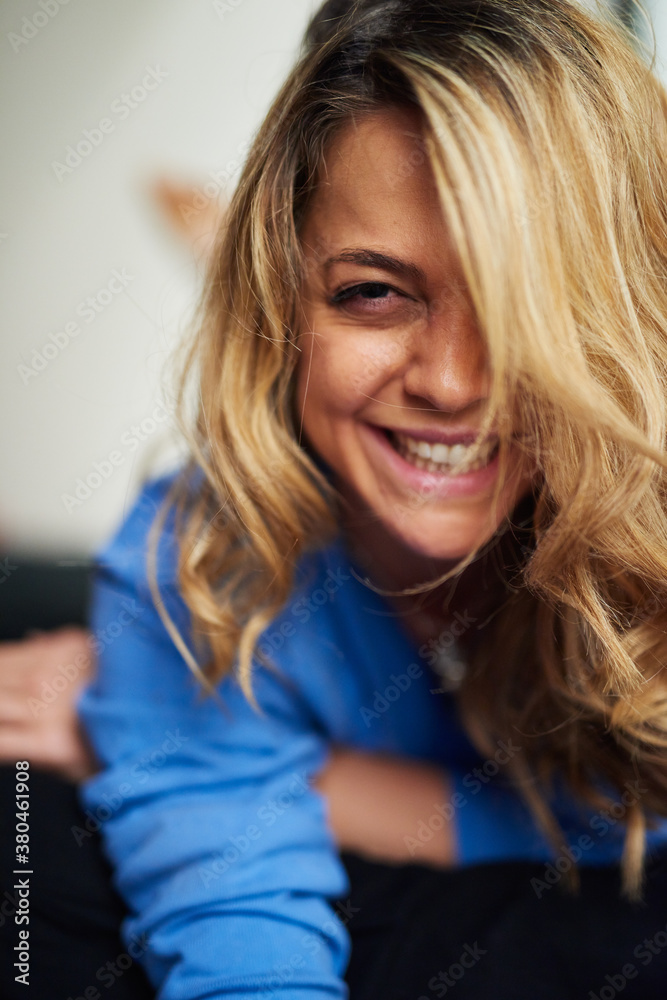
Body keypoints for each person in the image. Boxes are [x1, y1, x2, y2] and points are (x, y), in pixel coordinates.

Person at [72, 0, 667, 997]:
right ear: (280, 302)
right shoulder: (191, 571)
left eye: (523, 303)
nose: (450, 378)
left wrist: (339, 790)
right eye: (373, 292)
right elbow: (242, 951)